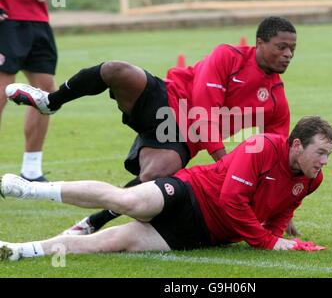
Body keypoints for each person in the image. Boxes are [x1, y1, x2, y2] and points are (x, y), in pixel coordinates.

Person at [5, 16, 299, 235]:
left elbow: (276, 160)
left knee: (154, 174)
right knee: (116, 69)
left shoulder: (277, 100)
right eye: (281, 46)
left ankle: (91, 222)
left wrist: (279, 207)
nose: (288, 54)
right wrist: (226, 164)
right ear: (259, 43)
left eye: (292, 49)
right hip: (168, 98)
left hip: (183, 135)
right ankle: (50, 101)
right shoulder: (227, 56)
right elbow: (202, 109)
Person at [0, 116, 332, 261]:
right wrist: (265, 241)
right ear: (295, 146)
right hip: (191, 191)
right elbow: (231, 200)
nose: (323, 162)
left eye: (328, 154)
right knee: (128, 199)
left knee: (113, 242)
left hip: (201, 235)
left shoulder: (312, 179)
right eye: (319, 153)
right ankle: (27, 188)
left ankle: (21, 250)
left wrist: (279, 239)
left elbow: (281, 212)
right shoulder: (260, 146)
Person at [0, 0, 58, 182]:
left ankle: (31, 171)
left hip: (38, 20)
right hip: (5, 18)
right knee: (1, 91)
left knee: (45, 93)